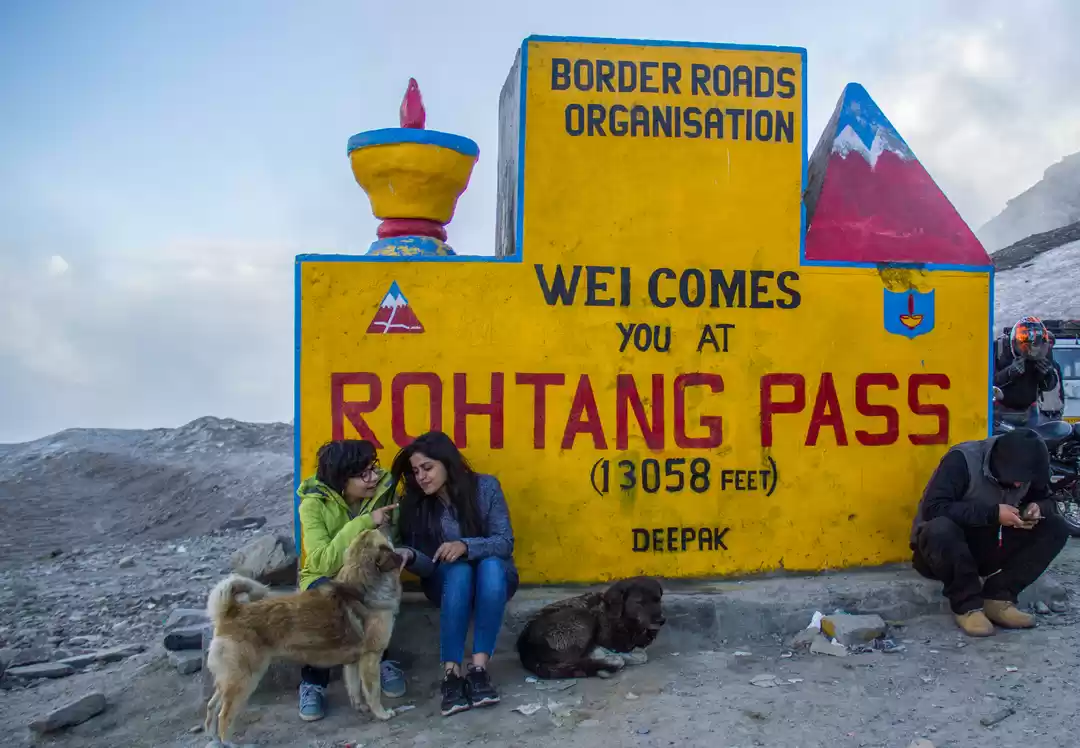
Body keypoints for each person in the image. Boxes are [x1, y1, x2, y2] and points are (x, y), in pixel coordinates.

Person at [391, 431, 518, 717]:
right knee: (459, 571)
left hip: (494, 581)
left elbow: (504, 542)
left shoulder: (486, 488)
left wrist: (465, 546)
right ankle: (451, 675)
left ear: (447, 463)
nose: (421, 476)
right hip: (447, 584)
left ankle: (479, 671)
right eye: (416, 471)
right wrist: (410, 556)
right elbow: (428, 565)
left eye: (428, 468)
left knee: (492, 565)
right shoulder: (416, 503)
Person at [909, 429, 1070, 637]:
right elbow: (934, 508)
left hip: (989, 546)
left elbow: (1048, 500)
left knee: (1056, 527)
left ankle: (999, 597)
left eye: (1024, 480)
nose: (1019, 485)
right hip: (940, 553)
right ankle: (967, 607)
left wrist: (1037, 508)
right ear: (998, 463)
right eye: (1015, 478)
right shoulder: (962, 460)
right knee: (940, 528)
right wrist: (993, 513)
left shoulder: (1030, 467)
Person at [295, 439, 407, 721]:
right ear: (342, 478)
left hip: (366, 577)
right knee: (329, 602)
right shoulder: (313, 506)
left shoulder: (381, 493)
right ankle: (313, 681)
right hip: (325, 578)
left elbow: (395, 540)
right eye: (364, 473)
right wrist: (365, 522)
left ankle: (381, 660)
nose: (373, 478)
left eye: (373, 469)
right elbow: (320, 561)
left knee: (377, 597)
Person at [994, 316, 1058, 427]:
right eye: (1026, 345)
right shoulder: (999, 349)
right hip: (1000, 411)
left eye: (1036, 344)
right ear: (1015, 342)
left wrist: (1047, 374)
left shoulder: (1045, 352)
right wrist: (1010, 372)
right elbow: (990, 382)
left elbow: (1049, 386)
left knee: (1033, 442)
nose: (1031, 350)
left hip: (1029, 411)